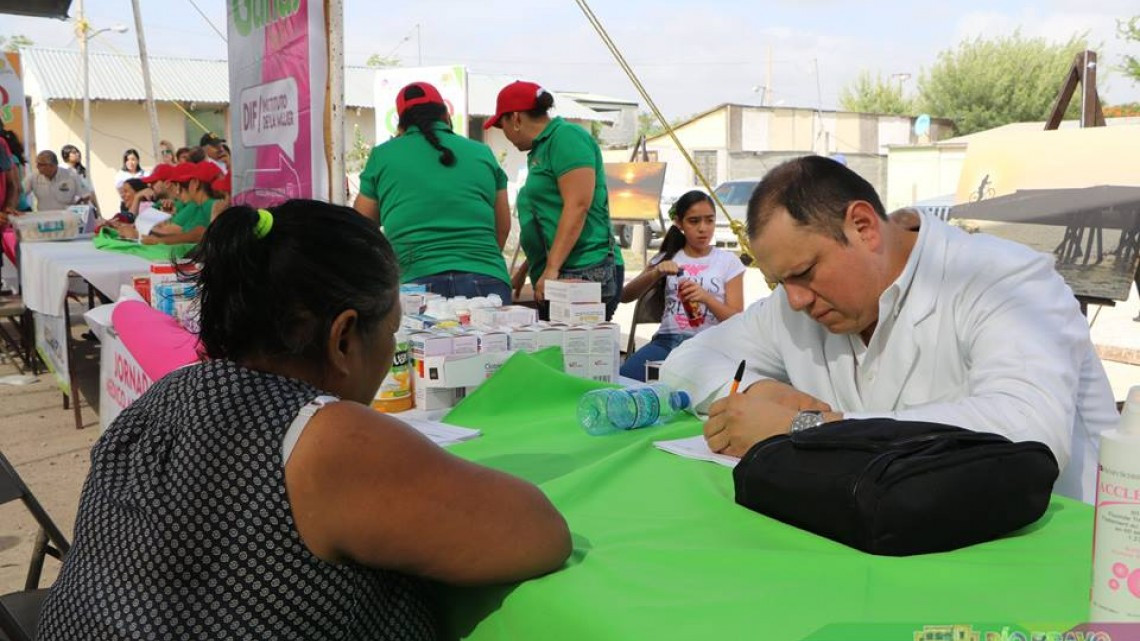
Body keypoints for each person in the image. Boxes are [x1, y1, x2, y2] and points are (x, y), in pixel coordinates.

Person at [36, 200, 571, 640]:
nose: (389, 353)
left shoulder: (171, 393)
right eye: (391, 332)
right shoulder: (325, 439)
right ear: (343, 338)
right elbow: (539, 533)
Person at [661, 156, 1118, 503]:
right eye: (781, 282)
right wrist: (762, 393)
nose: (795, 299)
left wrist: (808, 428)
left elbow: (1029, 433)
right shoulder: (794, 307)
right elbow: (684, 364)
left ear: (863, 227)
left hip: (1054, 566)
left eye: (803, 272)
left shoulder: (1005, 280)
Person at [354, 82, 512, 300]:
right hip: (487, 280)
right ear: (446, 116)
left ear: (401, 124)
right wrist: (477, 261)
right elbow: (502, 226)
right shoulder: (482, 153)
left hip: (415, 281)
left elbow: (362, 228)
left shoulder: (382, 156)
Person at [486, 80, 621, 319]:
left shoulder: (566, 138)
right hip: (560, 268)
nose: (503, 134)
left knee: (576, 352)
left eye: (502, 125)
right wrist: (527, 268)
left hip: (584, 267)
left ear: (516, 119)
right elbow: (553, 221)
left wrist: (551, 269)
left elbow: (577, 206)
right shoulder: (541, 148)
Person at [619, 190, 744, 381]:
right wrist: (656, 273)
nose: (703, 228)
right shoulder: (667, 257)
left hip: (709, 344)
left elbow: (736, 319)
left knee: (694, 387)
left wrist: (706, 298)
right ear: (679, 223)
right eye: (694, 221)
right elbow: (625, 295)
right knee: (624, 380)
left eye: (709, 220)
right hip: (667, 342)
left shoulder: (727, 261)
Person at [24, 150, 93, 211]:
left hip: (66, 219)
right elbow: (20, 193)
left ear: (52, 165)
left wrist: (75, 208)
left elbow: (86, 195)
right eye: (37, 163)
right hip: (44, 219)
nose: (37, 167)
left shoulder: (71, 176)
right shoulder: (33, 177)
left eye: (41, 164)